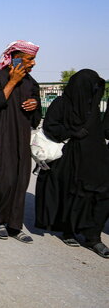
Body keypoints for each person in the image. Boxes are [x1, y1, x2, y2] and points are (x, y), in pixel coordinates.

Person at [35, 69, 109, 258]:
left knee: (100, 195)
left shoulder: (93, 106)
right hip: (70, 159)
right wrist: (71, 132)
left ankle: (93, 237)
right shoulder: (61, 104)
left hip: (95, 159)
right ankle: (68, 230)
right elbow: (50, 125)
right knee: (71, 194)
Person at [0, 40, 40, 243]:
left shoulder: (31, 83)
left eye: (34, 59)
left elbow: (35, 119)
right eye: (29, 59)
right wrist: (12, 82)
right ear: (15, 58)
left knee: (20, 182)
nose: (33, 63)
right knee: (5, 180)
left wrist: (35, 105)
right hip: (2, 137)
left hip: (22, 139)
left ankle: (15, 226)